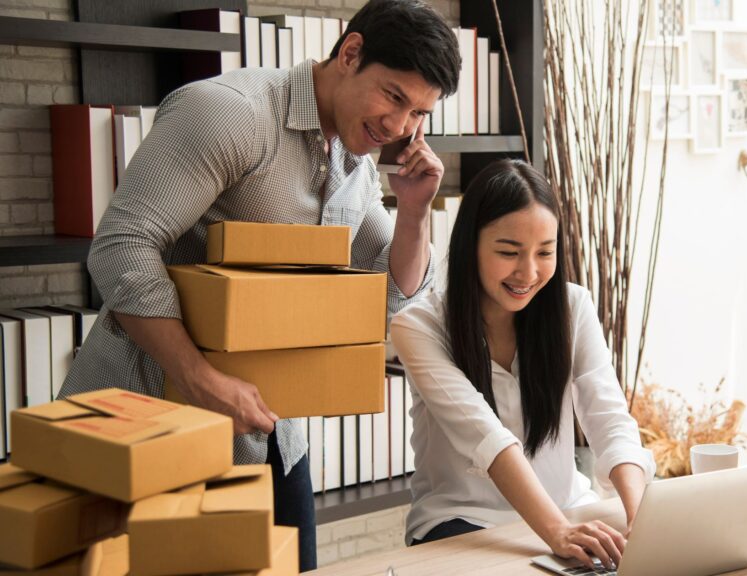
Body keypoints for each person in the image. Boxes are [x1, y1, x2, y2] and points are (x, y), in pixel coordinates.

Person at [58, 0, 460, 570]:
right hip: (147, 418)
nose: (401, 128)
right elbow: (121, 246)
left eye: (419, 113)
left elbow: (391, 296)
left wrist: (416, 213)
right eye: (394, 97)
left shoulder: (356, 158)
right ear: (350, 54)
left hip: (268, 433)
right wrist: (200, 379)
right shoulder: (229, 113)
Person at [390, 159, 656, 570]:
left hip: (569, 510)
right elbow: (486, 438)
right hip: (464, 523)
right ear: (470, 247)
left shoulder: (573, 308)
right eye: (508, 252)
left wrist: (642, 517)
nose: (528, 272)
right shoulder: (418, 327)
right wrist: (557, 532)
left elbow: (610, 420)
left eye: (544, 252)